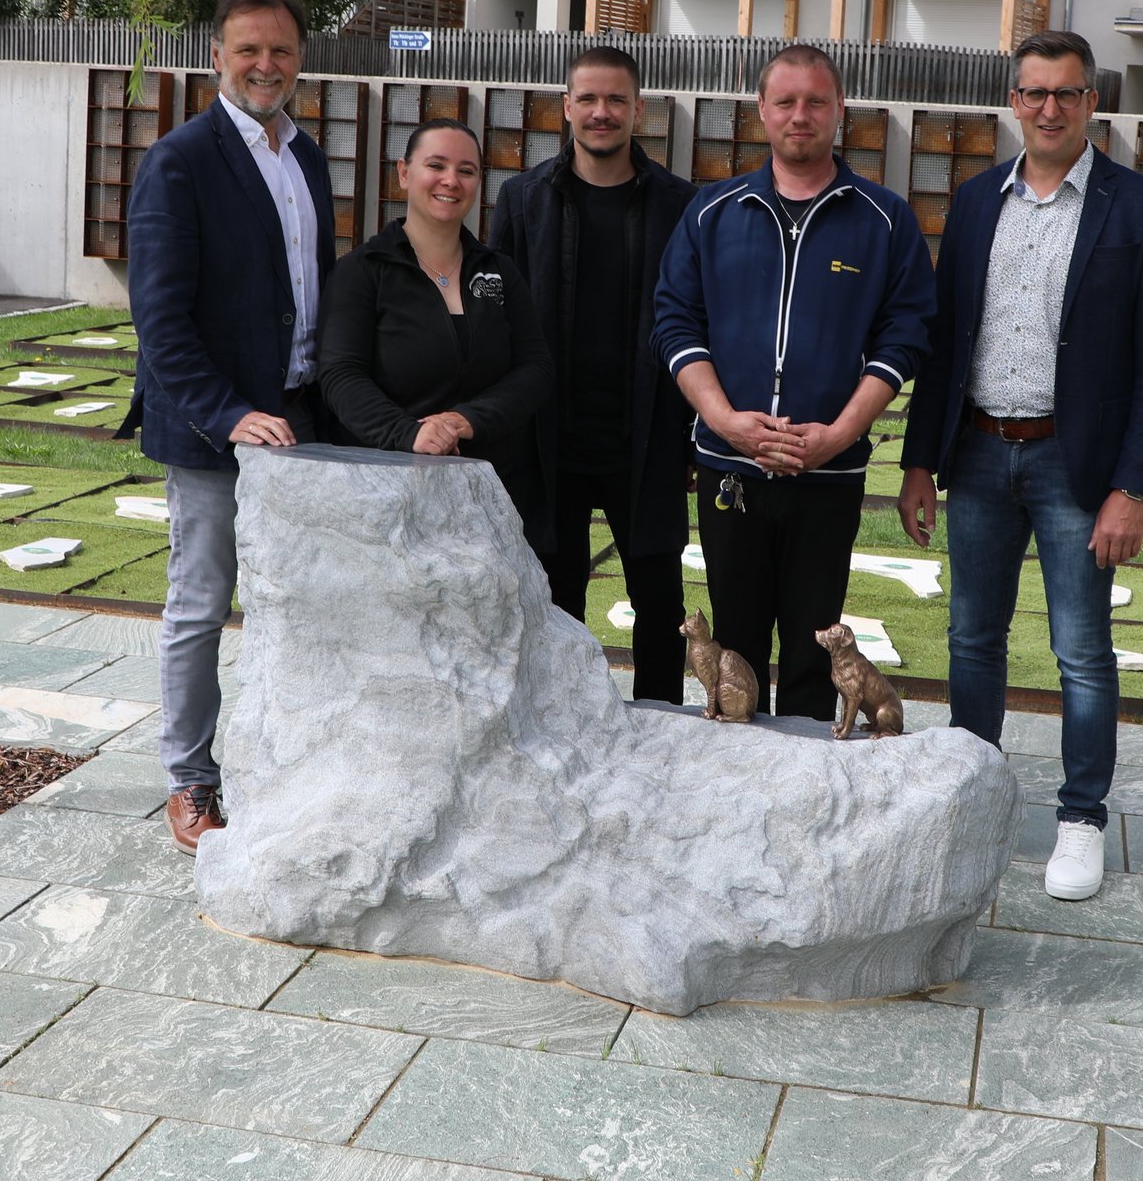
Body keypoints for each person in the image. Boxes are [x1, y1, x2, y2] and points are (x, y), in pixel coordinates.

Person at [898, 29, 1143, 902]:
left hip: (1077, 467)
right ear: (1013, 101)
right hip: (979, 454)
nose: (1050, 108)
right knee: (971, 640)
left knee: (1081, 652)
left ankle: (1081, 819)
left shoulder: (1141, 210)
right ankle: (976, 800)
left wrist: (1131, 488)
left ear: (1092, 101)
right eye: (1034, 93)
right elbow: (946, 342)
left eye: (1067, 93)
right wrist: (919, 462)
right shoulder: (978, 199)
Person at [653, 44, 934, 720]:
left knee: (818, 651)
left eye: (815, 101)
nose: (799, 115)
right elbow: (675, 321)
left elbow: (905, 335)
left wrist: (839, 433)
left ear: (841, 111)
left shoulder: (884, 219)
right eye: (785, 101)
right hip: (731, 470)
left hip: (828, 475)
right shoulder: (712, 211)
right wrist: (726, 421)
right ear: (761, 110)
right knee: (736, 651)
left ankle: (813, 799)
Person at [123, 0, 334, 854]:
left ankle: (279, 758)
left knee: (292, 603)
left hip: (297, 425)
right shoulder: (180, 160)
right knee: (202, 603)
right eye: (249, 49)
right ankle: (189, 778)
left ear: (299, 59)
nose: (266, 65)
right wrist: (229, 412)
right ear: (217, 55)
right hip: (216, 430)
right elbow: (160, 318)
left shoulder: (306, 155)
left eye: (281, 51)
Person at [488, 45, 697, 702]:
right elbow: (499, 325)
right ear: (566, 107)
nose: (601, 112)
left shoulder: (681, 205)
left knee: (660, 604)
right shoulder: (523, 200)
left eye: (615, 100)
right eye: (588, 99)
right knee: (555, 603)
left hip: (648, 436)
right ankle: (562, 727)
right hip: (551, 440)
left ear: (639, 108)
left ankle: (659, 730)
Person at [317, 119, 552, 545]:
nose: (451, 181)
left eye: (466, 170)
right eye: (436, 165)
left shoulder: (498, 271)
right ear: (404, 173)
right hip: (384, 499)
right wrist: (411, 433)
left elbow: (535, 368)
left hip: (490, 499)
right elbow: (341, 375)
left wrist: (466, 420)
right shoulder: (363, 271)